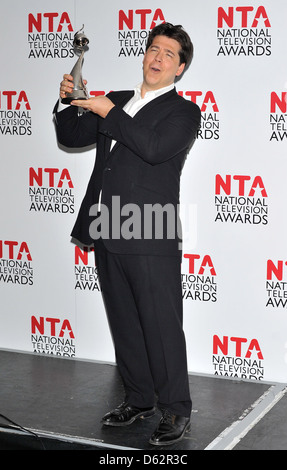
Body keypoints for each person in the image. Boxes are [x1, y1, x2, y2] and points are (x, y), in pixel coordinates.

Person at [54, 22, 201, 446]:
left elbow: (153, 148)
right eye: (153, 49)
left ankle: (175, 409)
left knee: (161, 326)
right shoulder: (115, 100)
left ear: (180, 68)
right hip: (106, 226)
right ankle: (138, 398)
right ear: (144, 54)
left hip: (150, 230)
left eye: (168, 55)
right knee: (125, 323)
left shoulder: (184, 112)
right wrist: (69, 101)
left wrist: (106, 112)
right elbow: (70, 135)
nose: (157, 58)